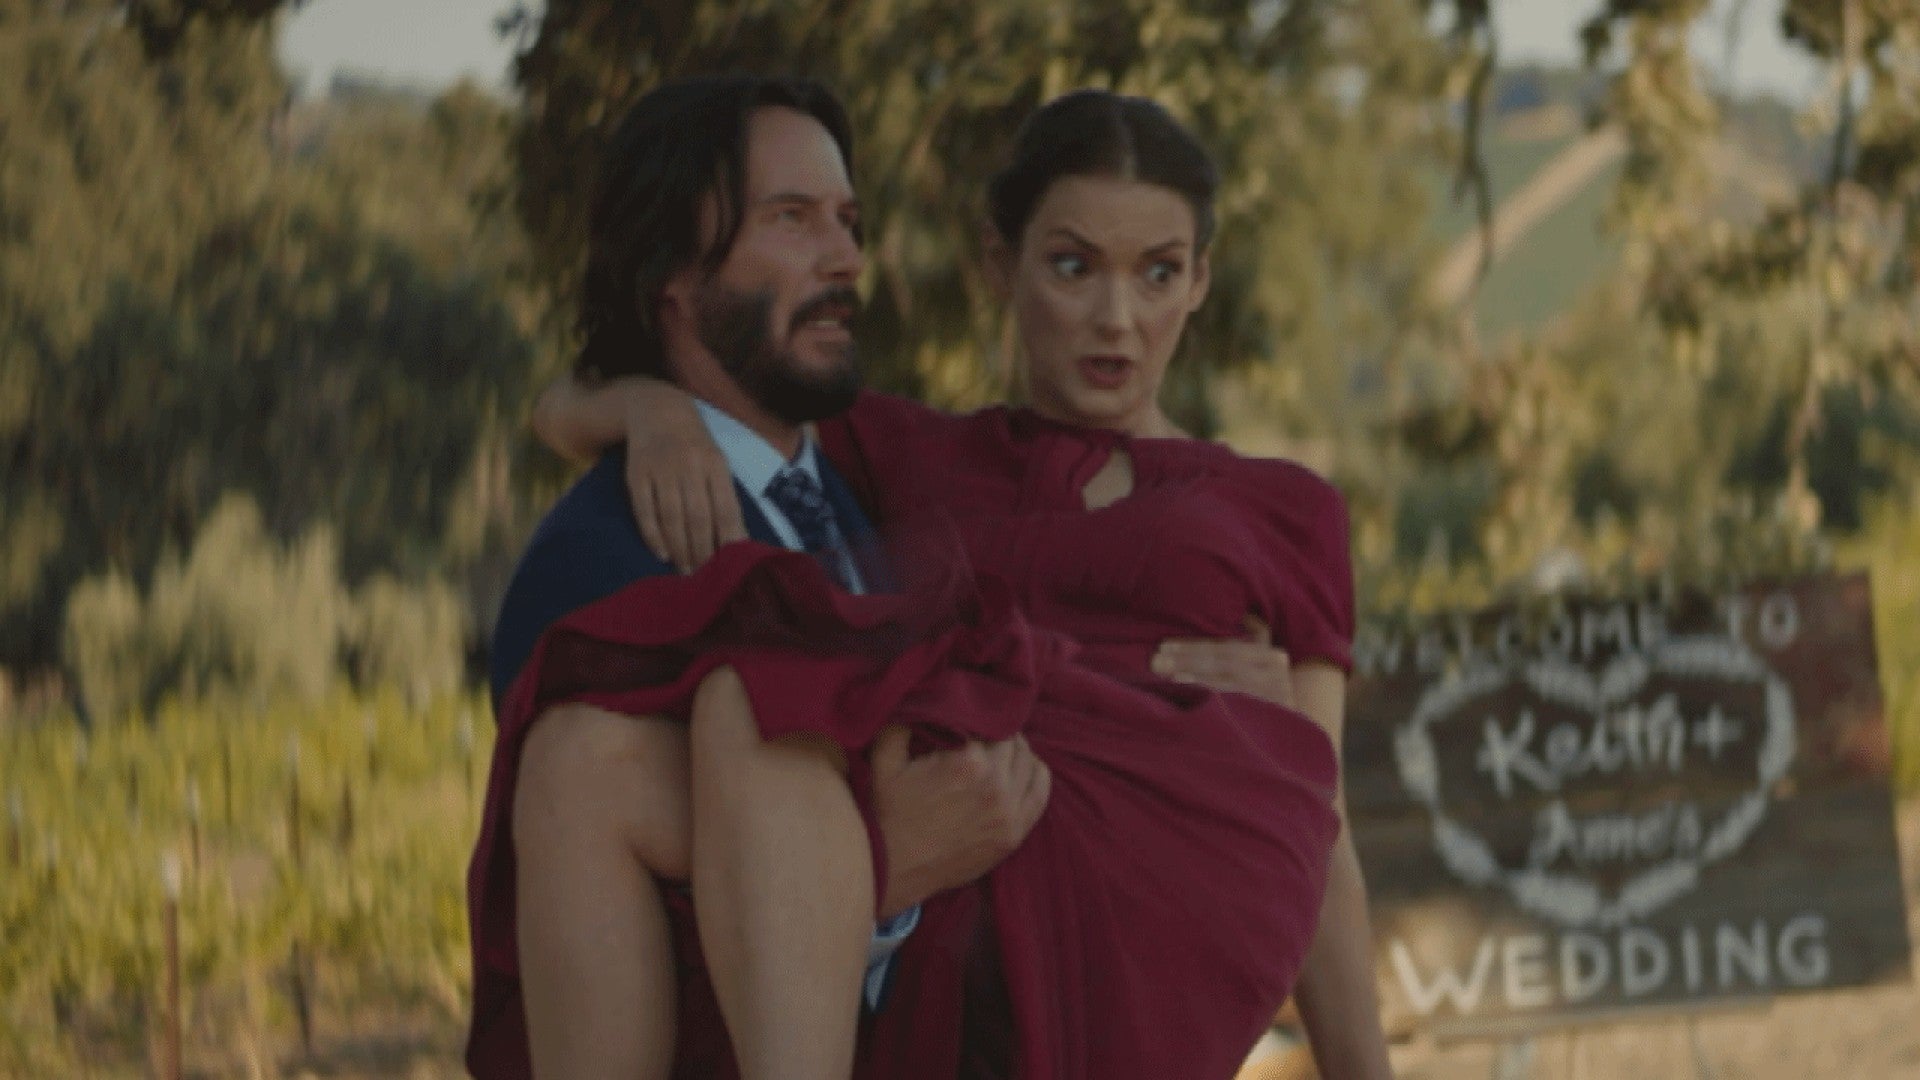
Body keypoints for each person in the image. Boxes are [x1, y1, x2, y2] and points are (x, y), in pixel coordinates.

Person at [476, 77, 1380, 1079]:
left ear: (1201, 279)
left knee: (750, 692)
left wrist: (1365, 1070)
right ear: (1000, 262)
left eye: (1160, 273)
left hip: (1153, 895)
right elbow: (686, 393)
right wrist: (647, 410)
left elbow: (1322, 824)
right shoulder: (910, 453)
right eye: (1073, 265)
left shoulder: (1285, 508)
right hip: (948, 885)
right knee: (588, 754)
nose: (1116, 318)